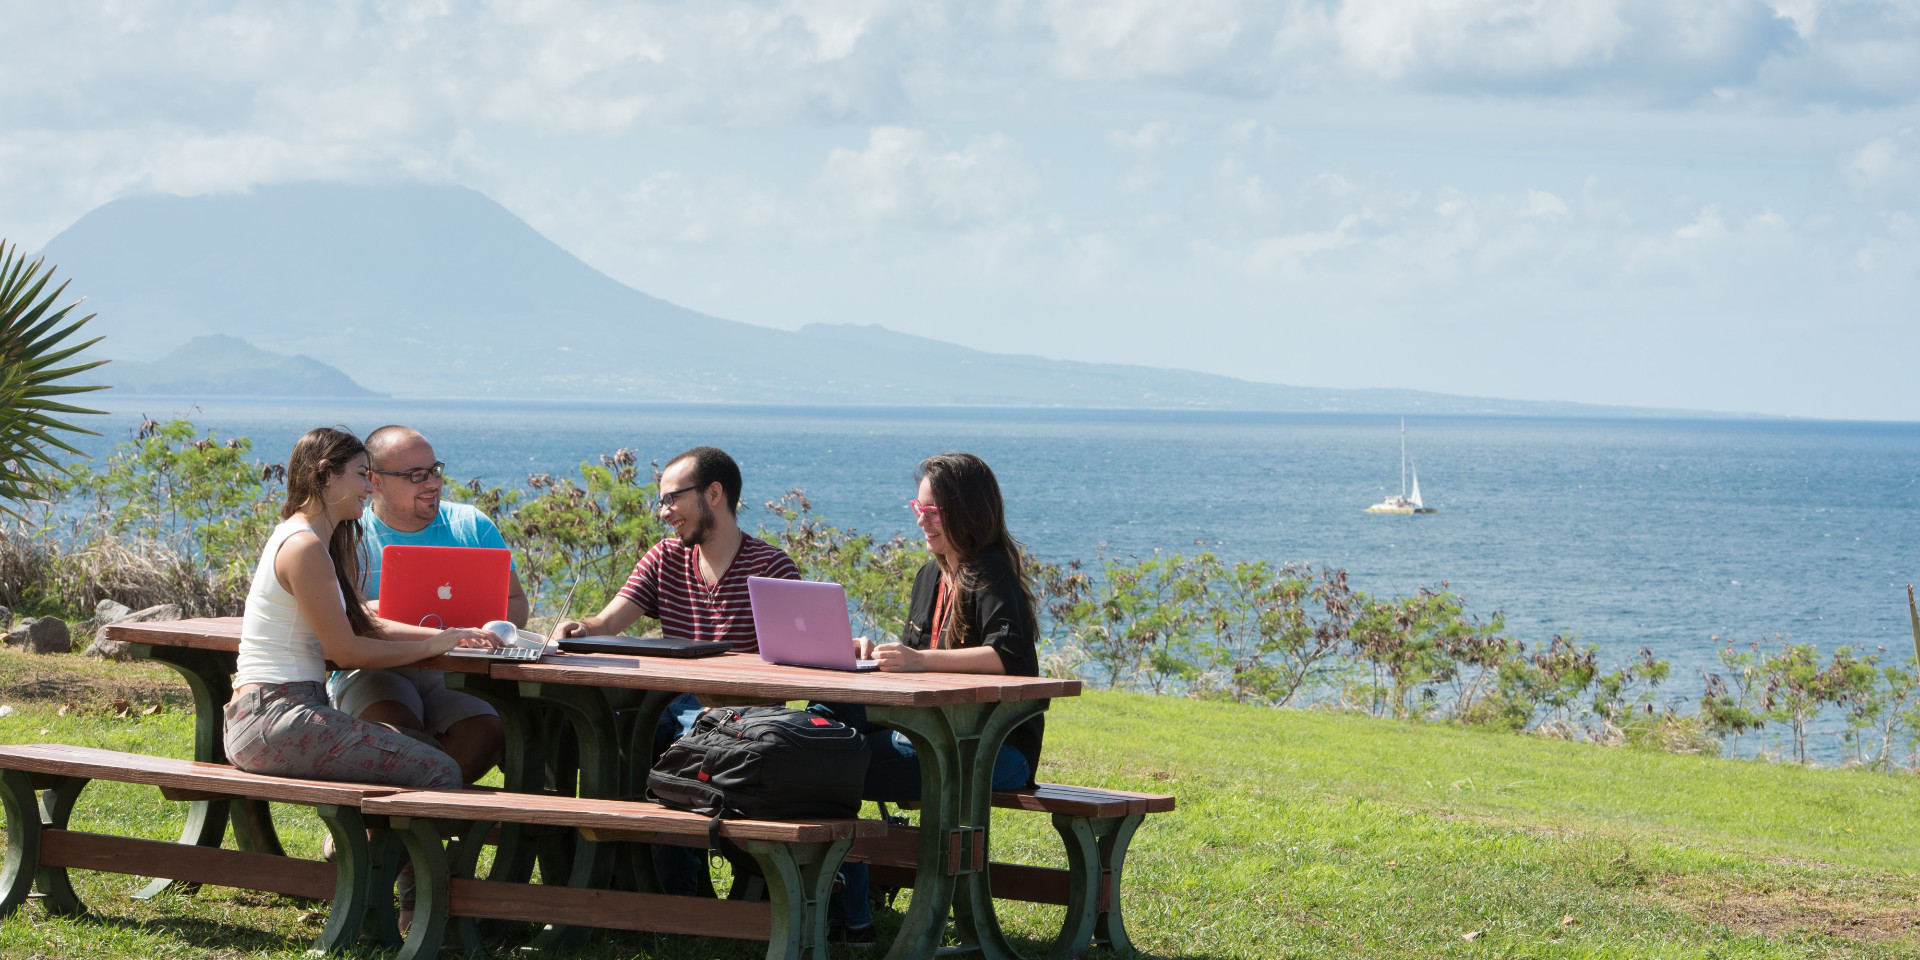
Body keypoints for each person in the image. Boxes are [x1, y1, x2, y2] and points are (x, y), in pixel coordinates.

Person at [551, 445, 801, 893]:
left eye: (673, 498)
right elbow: (607, 623)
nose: (665, 512)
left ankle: (673, 892)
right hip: (676, 704)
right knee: (604, 728)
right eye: (662, 500)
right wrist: (579, 627)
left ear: (714, 494)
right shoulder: (665, 558)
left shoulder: (772, 569)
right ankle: (616, 877)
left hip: (741, 718)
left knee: (673, 738)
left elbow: (797, 665)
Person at [827, 452, 1046, 944]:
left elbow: (1011, 656)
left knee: (826, 760)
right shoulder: (931, 575)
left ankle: (849, 899)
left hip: (993, 752)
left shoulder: (989, 570)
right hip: (932, 737)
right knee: (824, 725)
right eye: (918, 507)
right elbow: (918, 655)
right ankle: (847, 895)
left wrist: (920, 660)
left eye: (934, 510)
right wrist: (873, 654)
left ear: (968, 512)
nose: (922, 519)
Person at [327, 425, 523, 784]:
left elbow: (515, 602)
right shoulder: (349, 533)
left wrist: (488, 631)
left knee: (487, 731)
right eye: (415, 476)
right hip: (376, 668)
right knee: (394, 732)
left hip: (459, 672)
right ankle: (391, 832)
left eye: (434, 471)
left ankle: (402, 829)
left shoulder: (472, 525)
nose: (432, 483)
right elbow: (346, 619)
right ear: (374, 481)